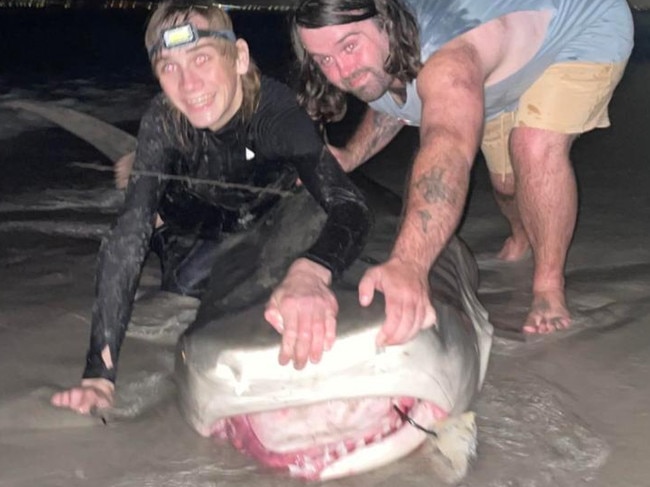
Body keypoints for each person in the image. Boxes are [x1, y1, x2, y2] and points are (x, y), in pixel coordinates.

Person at [51, 1, 372, 415]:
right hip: (197, 213)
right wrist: (99, 375)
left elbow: (350, 205)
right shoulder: (164, 121)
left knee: (302, 240)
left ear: (239, 57)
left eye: (201, 58)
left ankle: (150, 178)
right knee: (183, 287)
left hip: (263, 211)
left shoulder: (275, 113)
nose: (188, 84)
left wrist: (313, 271)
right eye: (169, 67)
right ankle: (159, 210)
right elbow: (127, 235)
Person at [291, 0, 633, 344]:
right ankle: (523, 235)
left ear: (386, 23)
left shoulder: (448, 61)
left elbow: (448, 145)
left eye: (349, 45)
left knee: (532, 146)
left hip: (581, 25)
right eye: (324, 60)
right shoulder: (381, 53)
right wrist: (350, 155)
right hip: (504, 54)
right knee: (507, 185)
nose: (342, 71)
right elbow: (397, 105)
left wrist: (410, 263)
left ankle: (548, 287)